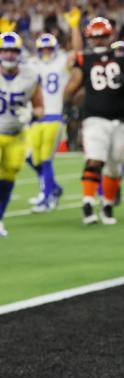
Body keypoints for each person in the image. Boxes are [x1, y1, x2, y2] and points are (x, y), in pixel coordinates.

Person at [63, 18, 124, 225]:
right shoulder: (83, 58)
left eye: (102, 36)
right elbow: (73, 84)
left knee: (114, 166)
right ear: (89, 38)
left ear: (110, 36)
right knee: (95, 160)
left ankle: (107, 206)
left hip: (121, 118)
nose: (99, 41)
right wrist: (66, 106)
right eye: (95, 37)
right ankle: (87, 203)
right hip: (94, 117)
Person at [0, 32, 44, 236]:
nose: (9, 55)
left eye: (13, 51)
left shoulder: (30, 75)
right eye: (5, 51)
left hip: (16, 134)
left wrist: (32, 115)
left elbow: (39, 107)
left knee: (8, 179)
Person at [26, 30, 74, 212]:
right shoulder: (32, 63)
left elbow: (75, 54)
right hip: (36, 117)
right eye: (43, 48)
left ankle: (48, 197)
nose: (46, 51)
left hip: (54, 115)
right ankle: (53, 187)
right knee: (29, 155)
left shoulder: (62, 61)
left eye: (48, 48)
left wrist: (74, 27)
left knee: (46, 159)